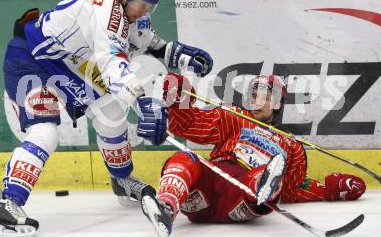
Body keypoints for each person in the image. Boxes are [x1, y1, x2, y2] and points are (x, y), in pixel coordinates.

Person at [0, 0, 213, 237]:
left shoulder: (130, 8)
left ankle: (121, 180)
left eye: (150, 7)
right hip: (30, 58)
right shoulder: (106, 13)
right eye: (142, 5)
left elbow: (149, 41)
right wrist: (142, 102)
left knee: (112, 114)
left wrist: (180, 55)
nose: (145, 12)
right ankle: (7, 204)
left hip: (69, 63)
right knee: (45, 131)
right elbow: (111, 64)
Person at [141, 73, 366, 236]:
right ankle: (166, 207)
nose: (257, 101)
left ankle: (263, 185)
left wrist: (332, 189)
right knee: (184, 158)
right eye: (254, 95)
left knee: (264, 176)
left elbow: (292, 190)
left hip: (242, 199)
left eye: (265, 97)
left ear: (277, 102)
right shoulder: (235, 116)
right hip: (203, 193)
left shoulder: (292, 146)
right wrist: (179, 98)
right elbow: (189, 125)